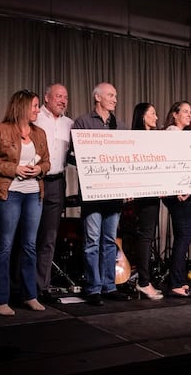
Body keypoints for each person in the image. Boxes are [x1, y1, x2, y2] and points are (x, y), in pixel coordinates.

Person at [0, 89, 51, 316]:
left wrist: (39, 169)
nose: (38, 110)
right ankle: (1, 298)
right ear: (21, 107)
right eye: (34, 106)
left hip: (33, 193)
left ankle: (29, 295)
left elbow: (48, 163)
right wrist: (15, 169)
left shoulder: (39, 133)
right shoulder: (0, 130)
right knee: (5, 246)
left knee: (30, 246)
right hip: (9, 193)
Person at [70, 82, 132, 306]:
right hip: (93, 192)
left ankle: (109, 286)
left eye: (115, 95)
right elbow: (73, 156)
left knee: (109, 240)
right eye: (110, 95)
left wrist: (128, 187)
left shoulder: (121, 126)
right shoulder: (82, 123)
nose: (115, 99)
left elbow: (127, 158)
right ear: (97, 97)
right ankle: (93, 288)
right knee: (92, 241)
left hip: (114, 193)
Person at [33, 83, 74, 304]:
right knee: (29, 237)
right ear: (46, 97)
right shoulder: (35, 118)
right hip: (33, 182)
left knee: (49, 238)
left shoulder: (70, 124)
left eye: (65, 97)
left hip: (57, 183)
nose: (62, 100)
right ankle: (23, 287)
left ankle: (42, 286)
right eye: (58, 96)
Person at [162, 101, 191, 298]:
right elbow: (173, 162)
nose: (189, 114)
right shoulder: (172, 132)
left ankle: (179, 280)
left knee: (184, 236)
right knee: (184, 236)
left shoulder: (181, 134)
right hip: (179, 193)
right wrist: (178, 187)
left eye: (190, 111)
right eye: (185, 111)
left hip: (184, 191)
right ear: (174, 114)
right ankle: (175, 283)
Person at [128, 102, 163, 300]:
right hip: (143, 193)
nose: (156, 117)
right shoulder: (135, 138)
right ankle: (143, 282)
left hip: (154, 192)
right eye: (152, 113)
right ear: (142, 116)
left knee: (147, 236)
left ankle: (144, 280)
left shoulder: (156, 138)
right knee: (145, 236)